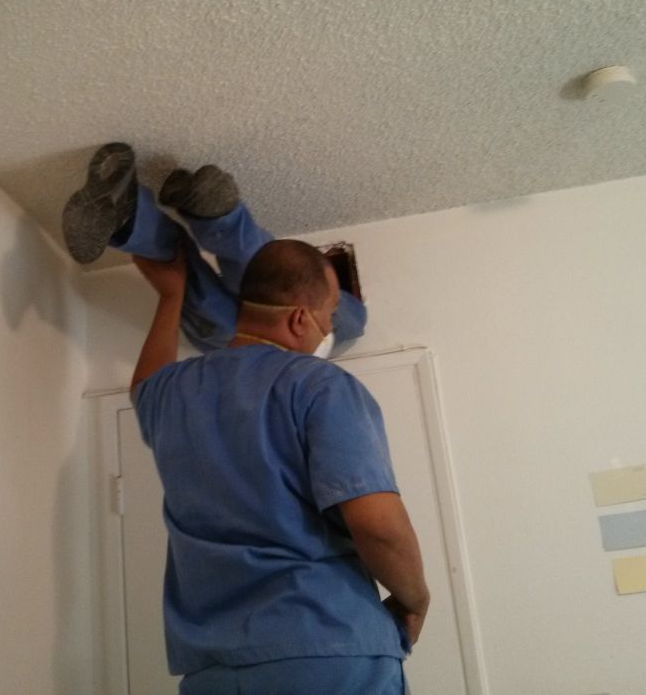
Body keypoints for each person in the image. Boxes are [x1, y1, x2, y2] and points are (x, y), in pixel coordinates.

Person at [130, 238, 430, 695]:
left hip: (212, 672)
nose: (329, 327)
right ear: (298, 318)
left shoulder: (172, 394)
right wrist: (416, 600)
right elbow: (378, 527)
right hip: (327, 654)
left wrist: (171, 295)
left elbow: (143, 384)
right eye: (330, 314)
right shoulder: (319, 385)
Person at [61, 142, 367, 354]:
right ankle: (139, 219)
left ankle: (209, 214)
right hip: (322, 342)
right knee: (232, 317)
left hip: (289, 348)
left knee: (237, 313)